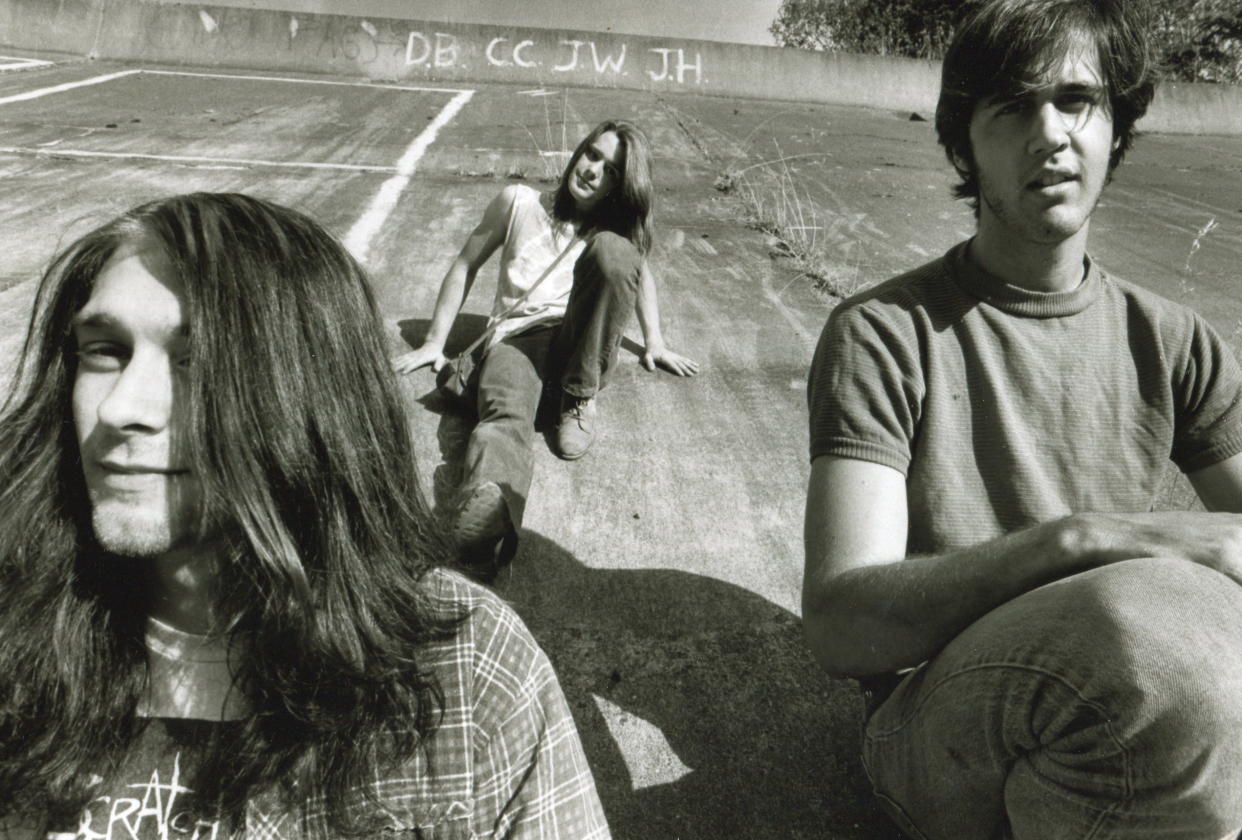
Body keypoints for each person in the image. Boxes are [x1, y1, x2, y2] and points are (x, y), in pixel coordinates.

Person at [0, 193, 610, 839]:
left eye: (197, 361)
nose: (122, 407)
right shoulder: (18, 626)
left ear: (311, 396)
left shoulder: (465, 670)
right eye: (105, 350)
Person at [803, 1, 1242, 837]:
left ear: (1117, 126)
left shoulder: (1177, 340)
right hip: (934, 722)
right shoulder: (884, 332)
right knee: (1161, 659)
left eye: (1076, 100)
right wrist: (1080, 540)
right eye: (1011, 106)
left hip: (1133, 700)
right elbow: (840, 623)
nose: (1051, 133)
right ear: (965, 142)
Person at [392, 119, 698, 575]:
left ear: (620, 187)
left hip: (582, 342)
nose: (594, 171)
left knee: (616, 253)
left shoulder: (608, 235)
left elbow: (637, 274)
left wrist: (655, 340)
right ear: (578, 151)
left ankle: (577, 398)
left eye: (612, 171)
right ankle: (487, 516)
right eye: (593, 155)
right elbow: (464, 264)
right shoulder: (516, 202)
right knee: (505, 414)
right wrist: (435, 340)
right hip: (517, 340)